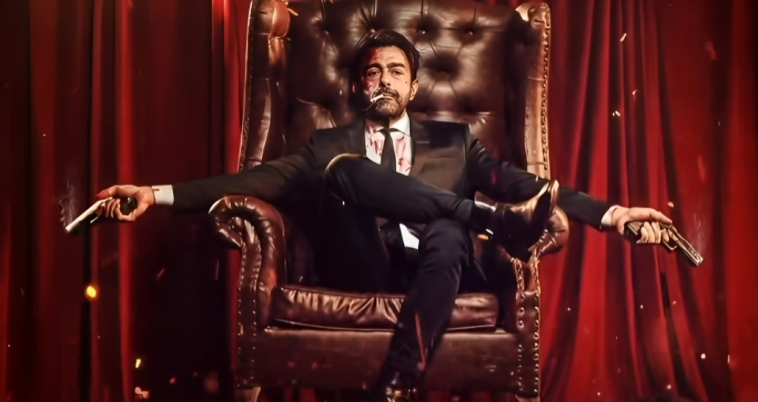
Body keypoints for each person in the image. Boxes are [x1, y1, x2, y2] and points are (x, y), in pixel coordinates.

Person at [98, 30, 672, 402]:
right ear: (358, 85)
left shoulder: (455, 143)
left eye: (396, 71)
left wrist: (615, 214)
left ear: (414, 86)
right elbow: (249, 181)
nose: (384, 81)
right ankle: (488, 219)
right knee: (347, 170)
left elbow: (528, 186)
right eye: (373, 72)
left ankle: (397, 383)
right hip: (362, 266)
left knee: (449, 229)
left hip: (439, 271)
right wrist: (155, 193)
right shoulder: (329, 146)